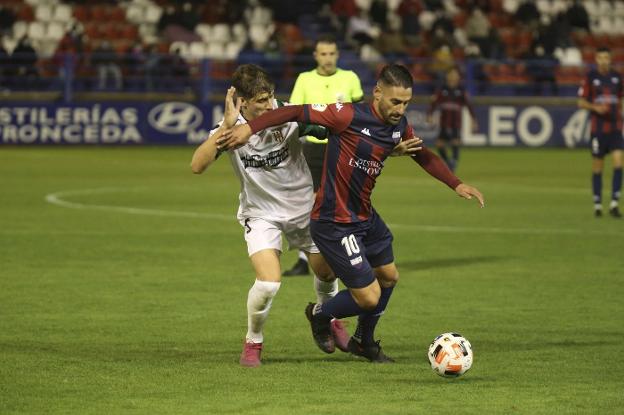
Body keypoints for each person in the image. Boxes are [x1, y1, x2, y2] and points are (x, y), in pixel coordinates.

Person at [217, 64, 484, 362]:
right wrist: (248, 128)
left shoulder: (398, 125)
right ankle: (320, 314)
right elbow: (293, 112)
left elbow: (422, 154)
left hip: (365, 215)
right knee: (368, 297)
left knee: (389, 277)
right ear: (378, 92)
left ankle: (363, 342)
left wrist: (456, 184)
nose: (400, 109)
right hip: (335, 220)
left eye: (406, 102)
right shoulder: (345, 115)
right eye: (395, 101)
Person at [190, 64, 351, 367]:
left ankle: (325, 317)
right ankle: (254, 341)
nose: (270, 105)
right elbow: (197, 165)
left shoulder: (288, 116)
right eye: (262, 100)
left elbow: (333, 128)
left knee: (328, 273)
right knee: (268, 284)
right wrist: (224, 128)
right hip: (262, 213)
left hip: (304, 208)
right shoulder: (232, 129)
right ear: (243, 102)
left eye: (271, 97)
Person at [283, 34, 364, 277]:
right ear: (316, 56)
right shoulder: (305, 79)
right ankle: (304, 258)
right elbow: (295, 111)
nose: (328, 58)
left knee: (344, 200)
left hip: (344, 146)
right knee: (310, 201)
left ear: (337, 55)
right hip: (314, 147)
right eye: (323, 54)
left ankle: (348, 254)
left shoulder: (350, 78)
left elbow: (359, 112)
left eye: (331, 53)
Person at [578, 47, 623, 218]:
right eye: (601, 57)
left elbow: (621, 98)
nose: (604, 60)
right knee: (598, 166)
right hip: (598, 129)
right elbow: (581, 102)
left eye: (607, 57)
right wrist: (595, 107)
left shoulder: (617, 77)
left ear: (610, 59)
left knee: (619, 163)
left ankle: (614, 203)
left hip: (615, 128)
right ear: (596, 59)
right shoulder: (591, 77)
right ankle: (597, 204)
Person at [426, 67, 478, 172]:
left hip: (456, 122)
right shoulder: (442, 89)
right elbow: (434, 103)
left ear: (458, 77)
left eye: (455, 74)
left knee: (455, 141)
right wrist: (430, 114)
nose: (453, 76)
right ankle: (448, 162)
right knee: (439, 144)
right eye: (451, 74)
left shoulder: (461, 90)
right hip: (444, 121)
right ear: (447, 76)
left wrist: (473, 119)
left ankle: (454, 161)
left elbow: (469, 105)